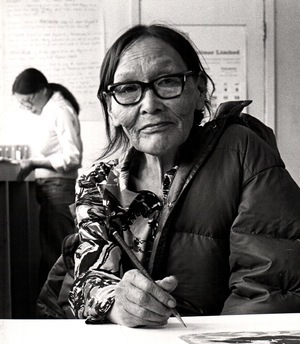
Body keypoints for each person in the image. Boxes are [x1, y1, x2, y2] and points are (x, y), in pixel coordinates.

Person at [68, 24, 300, 327]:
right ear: (110, 106)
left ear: (199, 89)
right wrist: (117, 303)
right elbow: (88, 277)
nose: (149, 106)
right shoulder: (98, 182)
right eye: (127, 89)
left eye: (167, 82)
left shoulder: (242, 153)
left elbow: (267, 292)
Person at [12, 68, 83, 289]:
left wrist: (34, 162)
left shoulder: (60, 110)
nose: (28, 107)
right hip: (50, 188)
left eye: (30, 100)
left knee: (58, 254)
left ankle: (60, 312)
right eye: (22, 104)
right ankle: (52, 309)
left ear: (43, 90)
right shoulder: (49, 110)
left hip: (59, 188)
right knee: (53, 250)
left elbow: (73, 157)